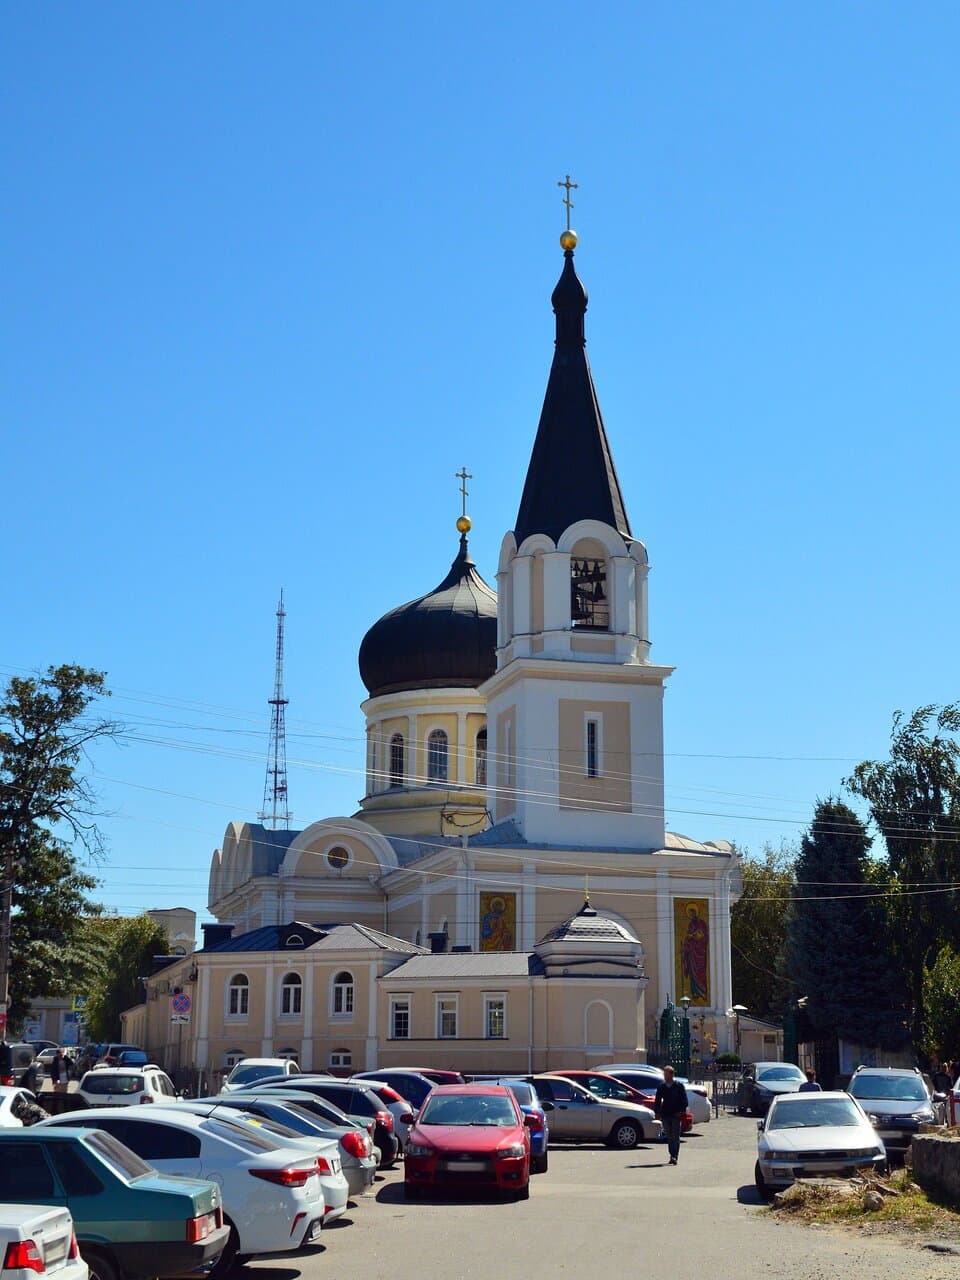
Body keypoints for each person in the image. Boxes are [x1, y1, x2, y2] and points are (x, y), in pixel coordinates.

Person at [654, 1065, 688, 1166]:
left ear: (672, 1074)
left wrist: (681, 1111)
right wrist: (657, 1112)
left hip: (676, 1114)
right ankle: (671, 1154)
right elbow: (657, 1100)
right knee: (669, 1136)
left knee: (675, 1136)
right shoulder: (662, 1086)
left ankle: (674, 1156)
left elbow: (684, 1100)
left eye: (666, 1074)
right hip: (665, 1114)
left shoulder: (678, 1086)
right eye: (664, 1074)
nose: (664, 1076)